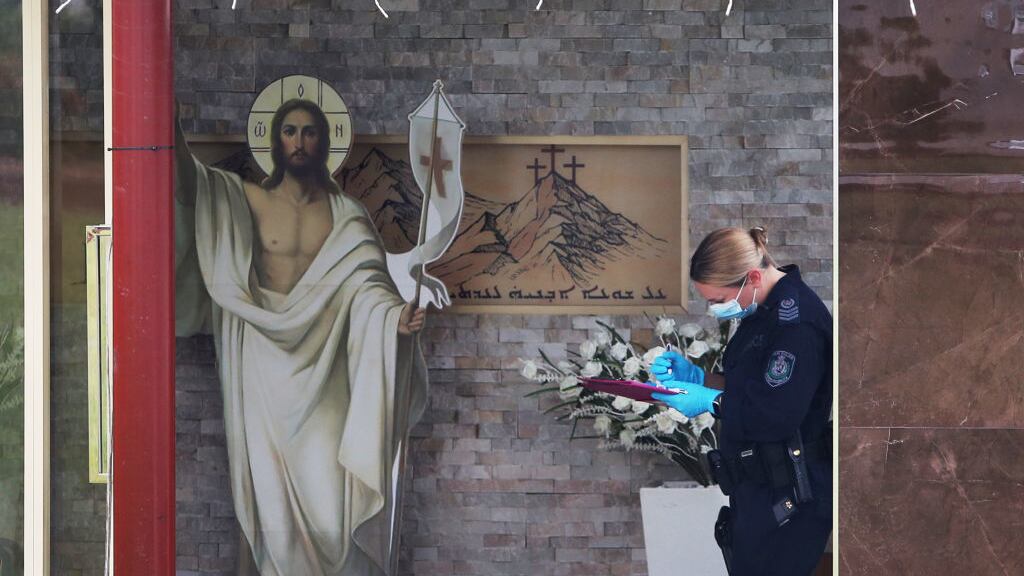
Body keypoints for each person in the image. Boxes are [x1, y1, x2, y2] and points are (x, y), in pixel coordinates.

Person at [174, 98, 429, 576]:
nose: (299, 141)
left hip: (327, 371)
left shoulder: (347, 215)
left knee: (331, 494)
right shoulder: (245, 199)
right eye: (289, 131)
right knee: (271, 503)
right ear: (274, 140)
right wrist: (163, 120)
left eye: (310, 132)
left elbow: (367, 287)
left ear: (324, 143)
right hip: (263, 373)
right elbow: (188, 185)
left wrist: (394, 319)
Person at [650, 227, 832, 576]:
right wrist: (699, 378)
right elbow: (750, 387)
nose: (714, 309)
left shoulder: (796, 325)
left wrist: (709, 401)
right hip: (761, 491)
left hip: (790, 496)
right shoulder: (760, 314)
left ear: (751, 277)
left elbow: (775, 414)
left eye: (718, 300)